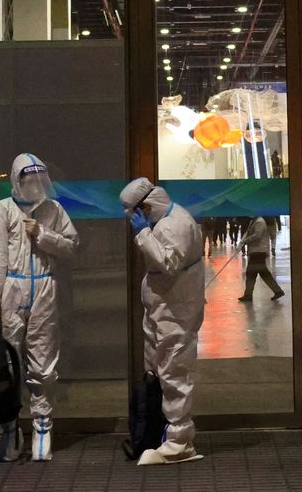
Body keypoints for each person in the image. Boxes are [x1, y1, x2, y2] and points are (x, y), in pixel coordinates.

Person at [0, 153, 79, 462]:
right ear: (17, 180)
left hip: (45, 289)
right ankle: (11, 427)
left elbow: (71, 246)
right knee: (9, 363)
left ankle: (42, 426)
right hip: (12, 289)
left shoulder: (53, 210)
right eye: (29, 179)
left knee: (43, 362)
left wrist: (43, 235)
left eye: (39, 179)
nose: (35, 184)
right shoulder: (2, 211)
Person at [120, 177, 206, 465]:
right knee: (160, 371)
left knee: (175, 373)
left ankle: (179, 442)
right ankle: (159, 434)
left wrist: (143, 235)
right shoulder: (165, 221)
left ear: (145, 207)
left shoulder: (174, 225)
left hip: (176, 312)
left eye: (134, 213)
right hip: (163, 308)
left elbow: (168, 264)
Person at [239, 216, 285, 300]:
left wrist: (247, 240)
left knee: (251, 273)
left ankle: (248, 295)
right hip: (256, 250)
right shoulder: (254, 221)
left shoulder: (259, 222)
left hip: (258, 251)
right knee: (263, 273)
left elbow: (258, 235)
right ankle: (277, 291)